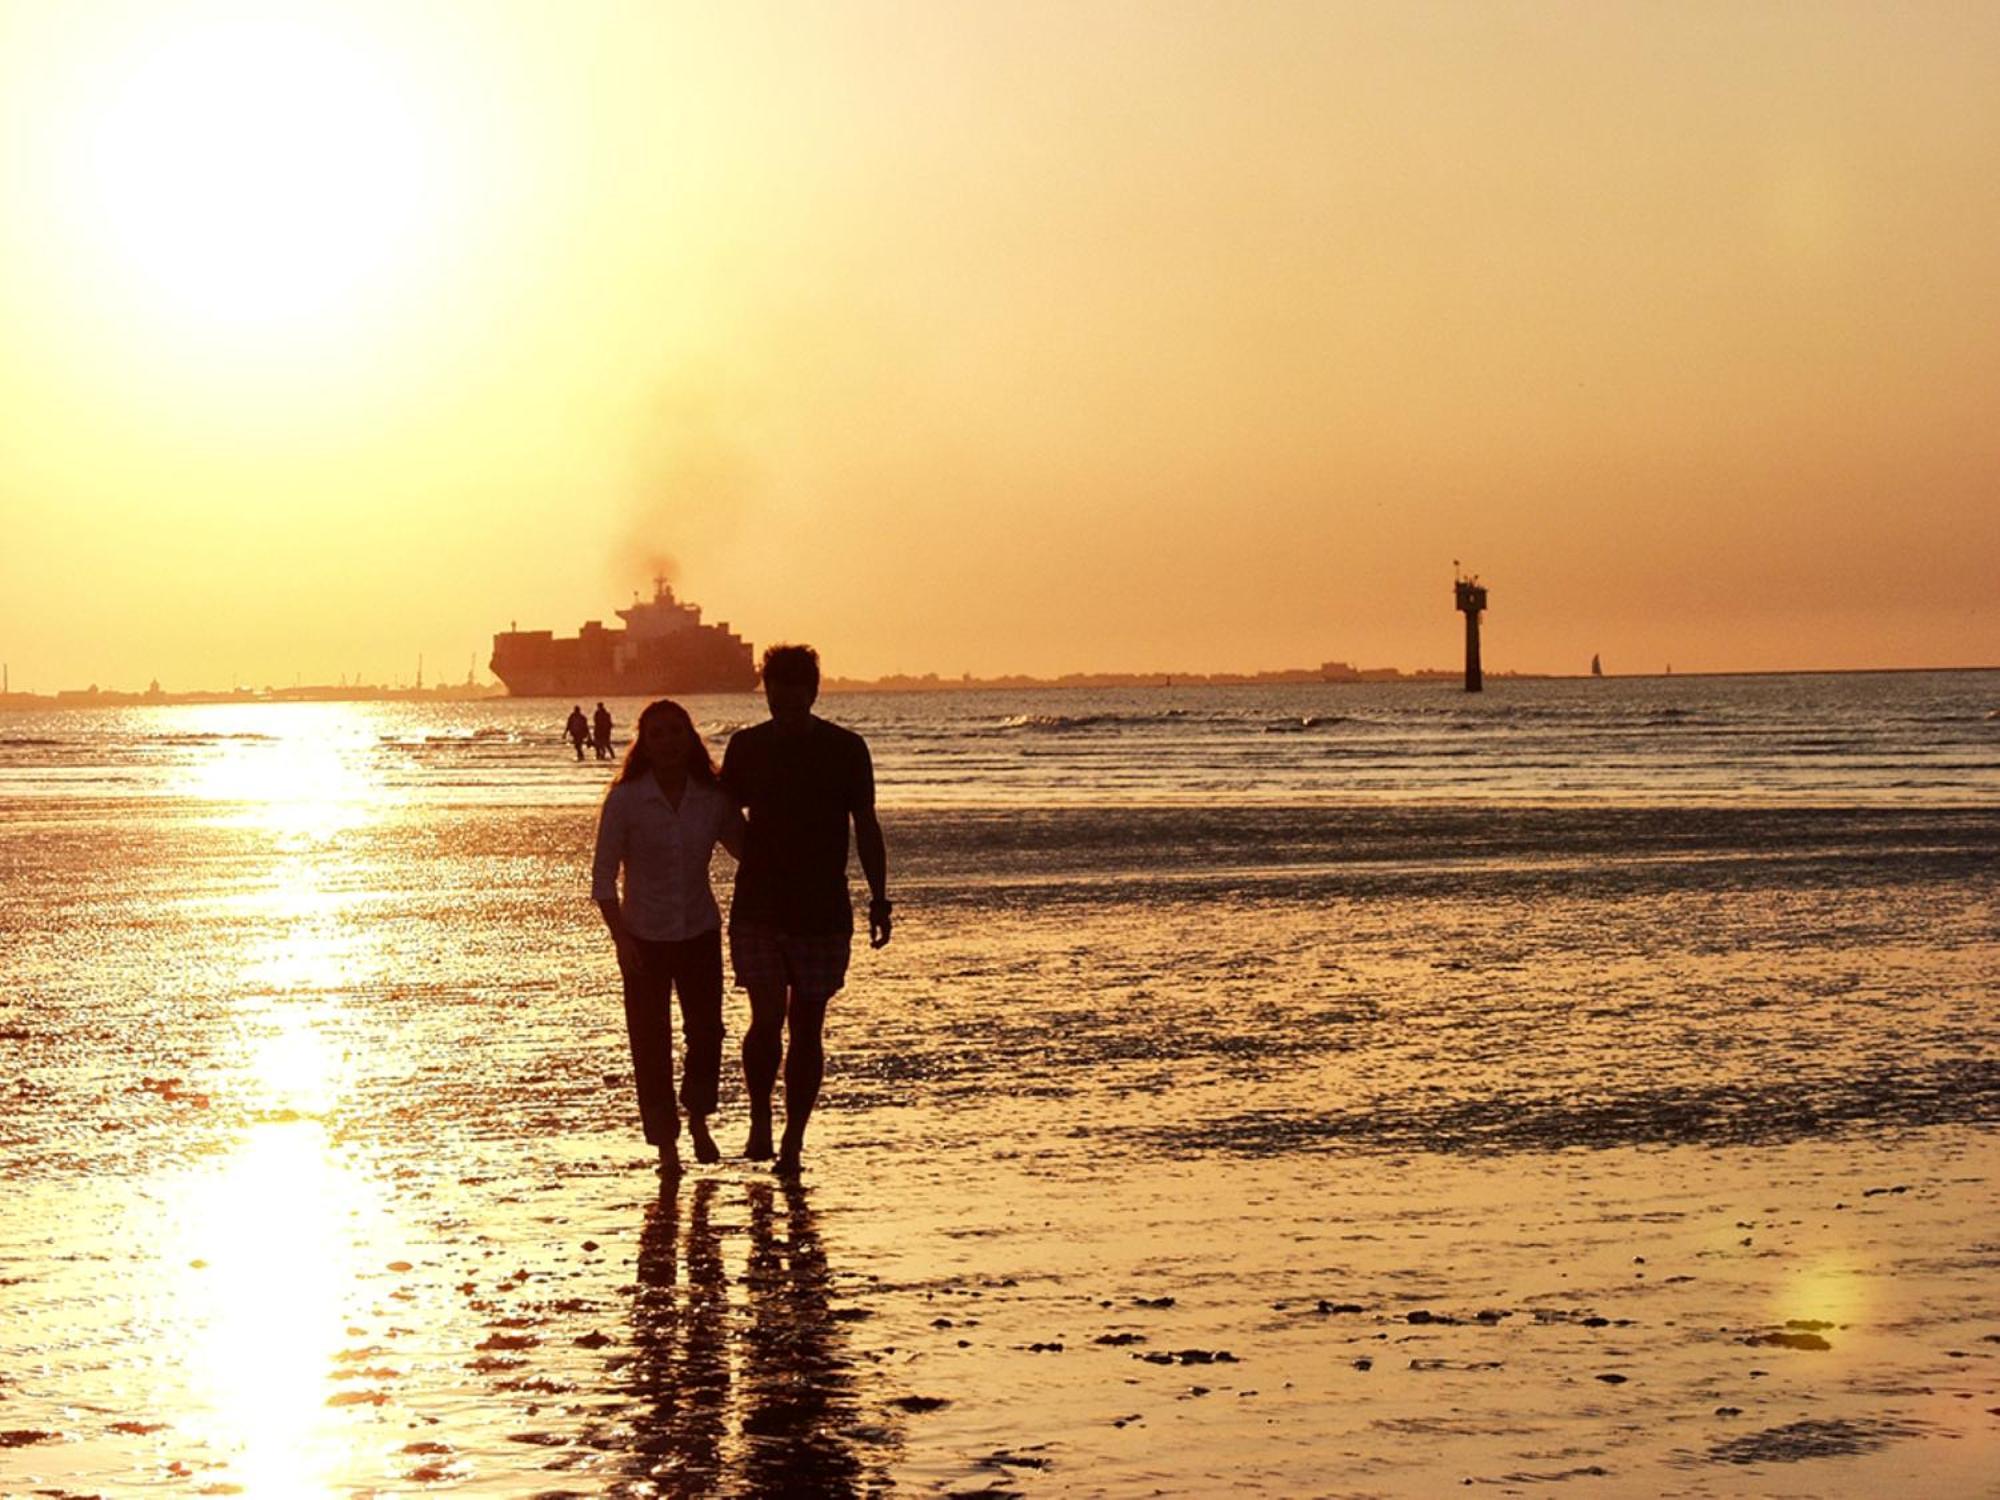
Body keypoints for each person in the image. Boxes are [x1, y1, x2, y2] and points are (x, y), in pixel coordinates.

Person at [721, 644, 891, 1174]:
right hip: (759, 905)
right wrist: (757, 857)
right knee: (766, 1017)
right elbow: (724, 817)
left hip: (822, 907)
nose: (787, 697)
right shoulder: (746, 747)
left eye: (797, 687)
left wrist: (879, 898)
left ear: (813, 691)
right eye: (777, 686)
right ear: (767, 690)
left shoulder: (846, 749)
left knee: (807, 1024)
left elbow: (866, 825)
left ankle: (793, 1138)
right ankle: (759, 1124)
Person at [593, 699, 744, 1176]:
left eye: (676, 732)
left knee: (707, 1032)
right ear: (644, 742)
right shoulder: (625, 799)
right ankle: (666, 1145)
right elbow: (602, 878)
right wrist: (621, 939)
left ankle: (698, 1117)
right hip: (643, 937)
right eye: (657, 734)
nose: (668, 742)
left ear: (690, 738)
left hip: (698, 930)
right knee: (649, 1042)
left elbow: (747, 850)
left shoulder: (712, 796)